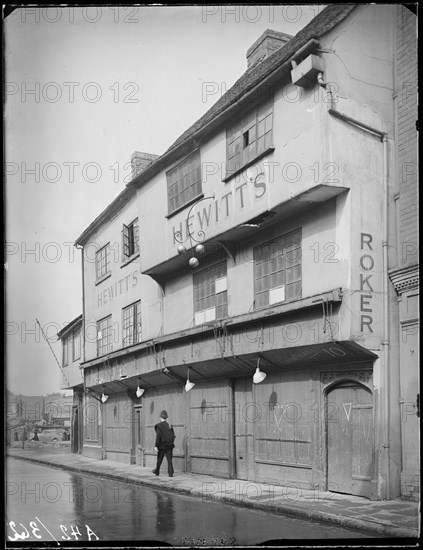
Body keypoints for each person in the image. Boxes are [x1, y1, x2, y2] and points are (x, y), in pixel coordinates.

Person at [152, 410, 175, 477]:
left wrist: (156, 446)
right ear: (166, 417)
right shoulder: (170, 425)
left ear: (160, 417)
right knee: (169, 460)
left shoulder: (159, 426)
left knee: (159, 459)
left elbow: (158, 436)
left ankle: (157, 471)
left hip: (162, 446)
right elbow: (173, 435)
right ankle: (171, 473)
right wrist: (171, 442)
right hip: (170, 445)